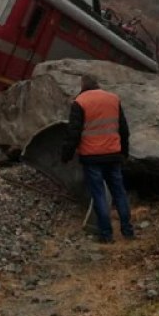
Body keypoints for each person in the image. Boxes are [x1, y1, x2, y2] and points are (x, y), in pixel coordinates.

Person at [61, 74, 135, 244]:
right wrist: (124, 152)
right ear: (97, 84)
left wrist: (66, 155)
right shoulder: (113, 99)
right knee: (119, 192)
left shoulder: (80, 102)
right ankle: (128, 231)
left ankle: (106, 235)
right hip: (113, 154)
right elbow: (124, 129)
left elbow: (73, 133)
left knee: (99, 194)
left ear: (82, 85)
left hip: (91, 157)